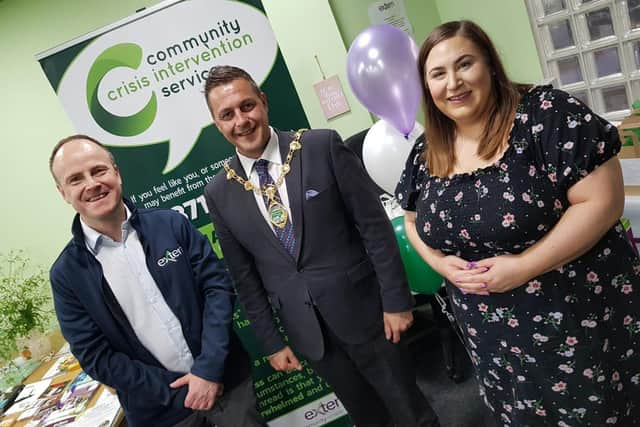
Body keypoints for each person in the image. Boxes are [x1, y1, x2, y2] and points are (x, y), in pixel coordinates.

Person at [396, 20, 640, 426]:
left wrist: (524, 266)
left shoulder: (546, 115)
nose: (453, 82)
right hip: (494, 342)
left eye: (464, 64)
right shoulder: (427, 150)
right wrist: (440, 265)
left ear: (490, 65)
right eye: (437, 73)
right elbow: (410, 219)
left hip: (578, 323)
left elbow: (603, 200)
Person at [203, 65, 440, 427]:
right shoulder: (219, 193)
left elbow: (374, 228)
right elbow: (244, 277)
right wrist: (271, 342)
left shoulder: (320, 146)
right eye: (227, 115)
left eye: (247, 106)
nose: (241, 120)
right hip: (310, 334)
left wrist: (396, 301)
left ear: (263, 102)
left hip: (369, 316)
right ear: (217, 124)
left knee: (411, 412)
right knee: (368, 418)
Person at [49, 135, 267, 427]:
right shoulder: (66, 274)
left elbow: (217, 288)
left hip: (229, 385)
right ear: (63, 192)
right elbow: (96, 356)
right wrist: (182, 391)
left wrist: (208, 370)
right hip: (162, 413)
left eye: (98, 170)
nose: (92, 184)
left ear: (116, 172)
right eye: (76, 179)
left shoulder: (171, 224)